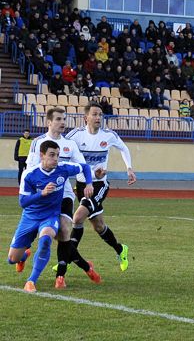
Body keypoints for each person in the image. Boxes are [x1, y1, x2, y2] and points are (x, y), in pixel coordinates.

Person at [26, 107, 101, 288]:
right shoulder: (38, 143)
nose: (63, 122)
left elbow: (82, 166)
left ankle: (60, 276)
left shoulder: (70, 144)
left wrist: (90, 181)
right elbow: (29, 171)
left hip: (64, 194)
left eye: (64, 119)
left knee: (65, 230)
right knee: (46, 235)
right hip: (43, 197)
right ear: (49, 122)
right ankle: (85, 265)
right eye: (59, 119)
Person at [8, 140, 93, 292]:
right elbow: (23, 202)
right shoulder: (30, 174)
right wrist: (42, 193)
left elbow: (85, 167)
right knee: (12, 259)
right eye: (52, 155)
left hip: (50, 216)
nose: (56, 159)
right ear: (42, 155)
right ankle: (23, 256)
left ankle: (31, 281)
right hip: (30, 217)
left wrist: (89, 184)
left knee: (46, 240)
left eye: (58, 155)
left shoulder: (63, 169)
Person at [65, 102, 136, 274]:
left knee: (78, 217)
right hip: (81, 185)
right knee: (98, 226)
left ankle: (66, 260)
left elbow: (124, 148)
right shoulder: (75, 135)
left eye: (101, 115)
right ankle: (121, 250)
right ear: (86, 117)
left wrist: (129, 168)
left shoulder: (108, 135)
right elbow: (64, 153)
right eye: (95, 114)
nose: (98, 118)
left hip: (100, 185)